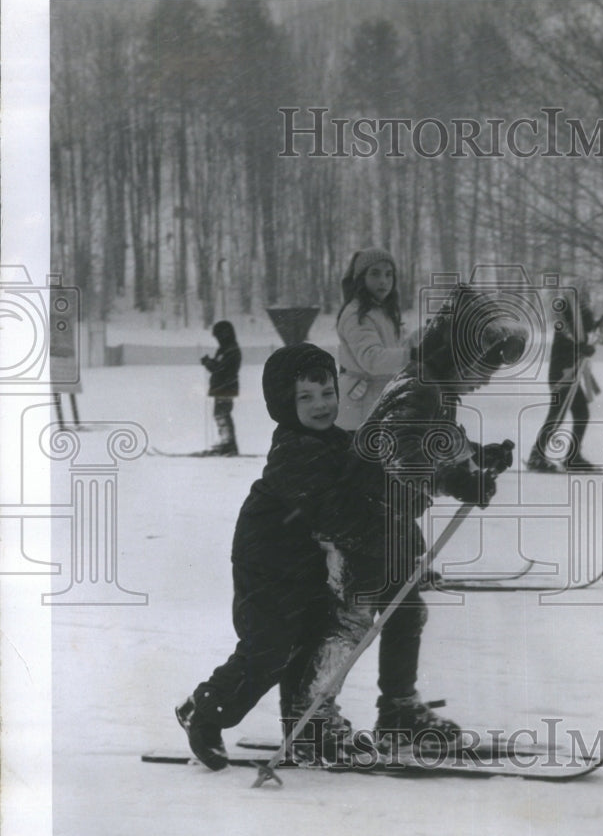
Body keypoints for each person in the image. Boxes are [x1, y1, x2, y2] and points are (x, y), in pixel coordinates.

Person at [286, 285, 527, 755]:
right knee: (352, 622)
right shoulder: (419, 387)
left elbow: (430, 451)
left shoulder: (436, 389)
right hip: (360, 521)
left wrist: (467, 473)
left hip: (390, 523)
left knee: (405, 610)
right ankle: (311, 719)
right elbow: (401, 453)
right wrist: (456, 462)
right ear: (457, 356)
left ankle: (398, 710)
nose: (484, 382)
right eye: (482, 370)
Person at [176, 343, 356, 770]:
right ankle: (203, 710)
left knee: (309, 643)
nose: (321, 405)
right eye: (305, 398)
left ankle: (302, 729)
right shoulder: (295, 451)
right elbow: (330, 509)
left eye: (327, 392)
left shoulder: (337, 443)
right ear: (283, 403)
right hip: (268, 562)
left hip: (305, 561)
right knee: (269, 649)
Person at [526, 288, 601, 472]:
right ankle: (537, 456)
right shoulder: (566, 331)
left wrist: (594, 331)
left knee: (581, 413)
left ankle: (572, 456)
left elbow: (581, 340)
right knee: (557, 416)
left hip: (569, 377)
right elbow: (571, 347)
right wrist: (584, 348)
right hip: (562, 377)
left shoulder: (573, 328)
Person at [335, 247, 410, 431]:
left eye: (388, 274)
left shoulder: (383, 312)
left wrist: (428, 337)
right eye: (375, 274)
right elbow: (373, 359)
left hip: (379, 403)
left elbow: (397, 348)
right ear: (361, 278)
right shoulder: (356, 314)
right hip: (359, 409)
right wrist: (413, 354)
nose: (383, 281)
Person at [200, 320, 241, 456]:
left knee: (221, 414)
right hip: (222, 387)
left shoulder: (231, 350)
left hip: (226, 387)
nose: (217, 339)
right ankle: (227, 442)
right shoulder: (226, 349)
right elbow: (219, 367)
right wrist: (210, 363)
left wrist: (208, 363)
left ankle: (228, 443)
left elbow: (220, 369)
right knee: (221, 414)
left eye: (218, 336)